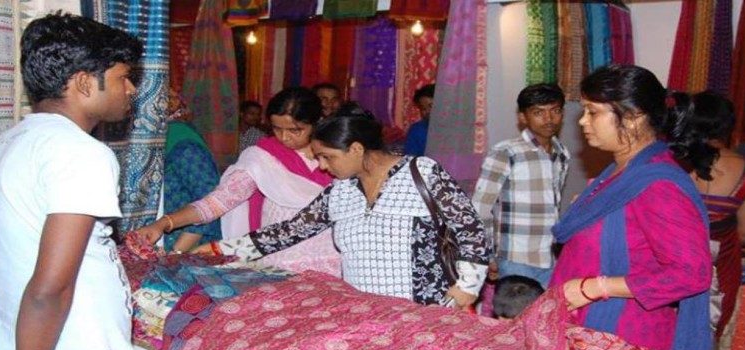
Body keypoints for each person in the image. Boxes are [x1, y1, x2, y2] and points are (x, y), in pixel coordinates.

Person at [0, 13, 141, 350]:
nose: (131, 89)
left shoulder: (1, 150)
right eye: (123, 77)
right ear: (85, 83)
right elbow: (51, 289)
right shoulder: (81, 153)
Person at [190, 109, 492, 307]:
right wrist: (219, 250)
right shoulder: (340, 191)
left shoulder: (422, 173)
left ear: (357, 149)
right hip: (362, 309)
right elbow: (288, 232)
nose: (321, 166)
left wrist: (467, 287)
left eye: (327, 157)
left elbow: (471, 230)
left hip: (424, 309)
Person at [550, 64, 713, 350]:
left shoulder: (656, 184)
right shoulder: (619, 172)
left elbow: (692, 274)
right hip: (588, 327)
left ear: (634, 118)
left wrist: (594, 287)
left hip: (622, 335)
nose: (583, 122)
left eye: (593, 112)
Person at [128, 87, 341, 275]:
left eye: (295, 130)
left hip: (335, 264)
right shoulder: (262, 158)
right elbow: (218, 202)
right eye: (277, 129)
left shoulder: (340, 159)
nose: (284, 137)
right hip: (281, 264)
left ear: (317, 122)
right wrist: (165, 223)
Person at [680, 91, 745, 350]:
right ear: (729, 126)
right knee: (710, 336)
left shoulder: (670, 163)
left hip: (672, 259)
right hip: (722, 265)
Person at [472, 83, 569, 288]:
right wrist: (486, 255)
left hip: (550, 257)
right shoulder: (506, 152)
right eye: (538, 113)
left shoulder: (562, 154)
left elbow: (553, 207)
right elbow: (481, 209)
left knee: (546, 318)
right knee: (517, 318)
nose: (549, 119)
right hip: (515, 258)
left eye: (555, 111)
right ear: (523, 117)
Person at [161, 95, 223, 255]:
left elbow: (209, 202)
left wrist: (175, 253)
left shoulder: (184, 145)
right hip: (161, 247)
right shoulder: (154, 142)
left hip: (186, 251)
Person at [404, 84, 435, 156]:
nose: (427, 111)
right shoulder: (417, 130)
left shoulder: (458, 128)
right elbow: (410, 159)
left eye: (431, 106)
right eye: (423, 108)